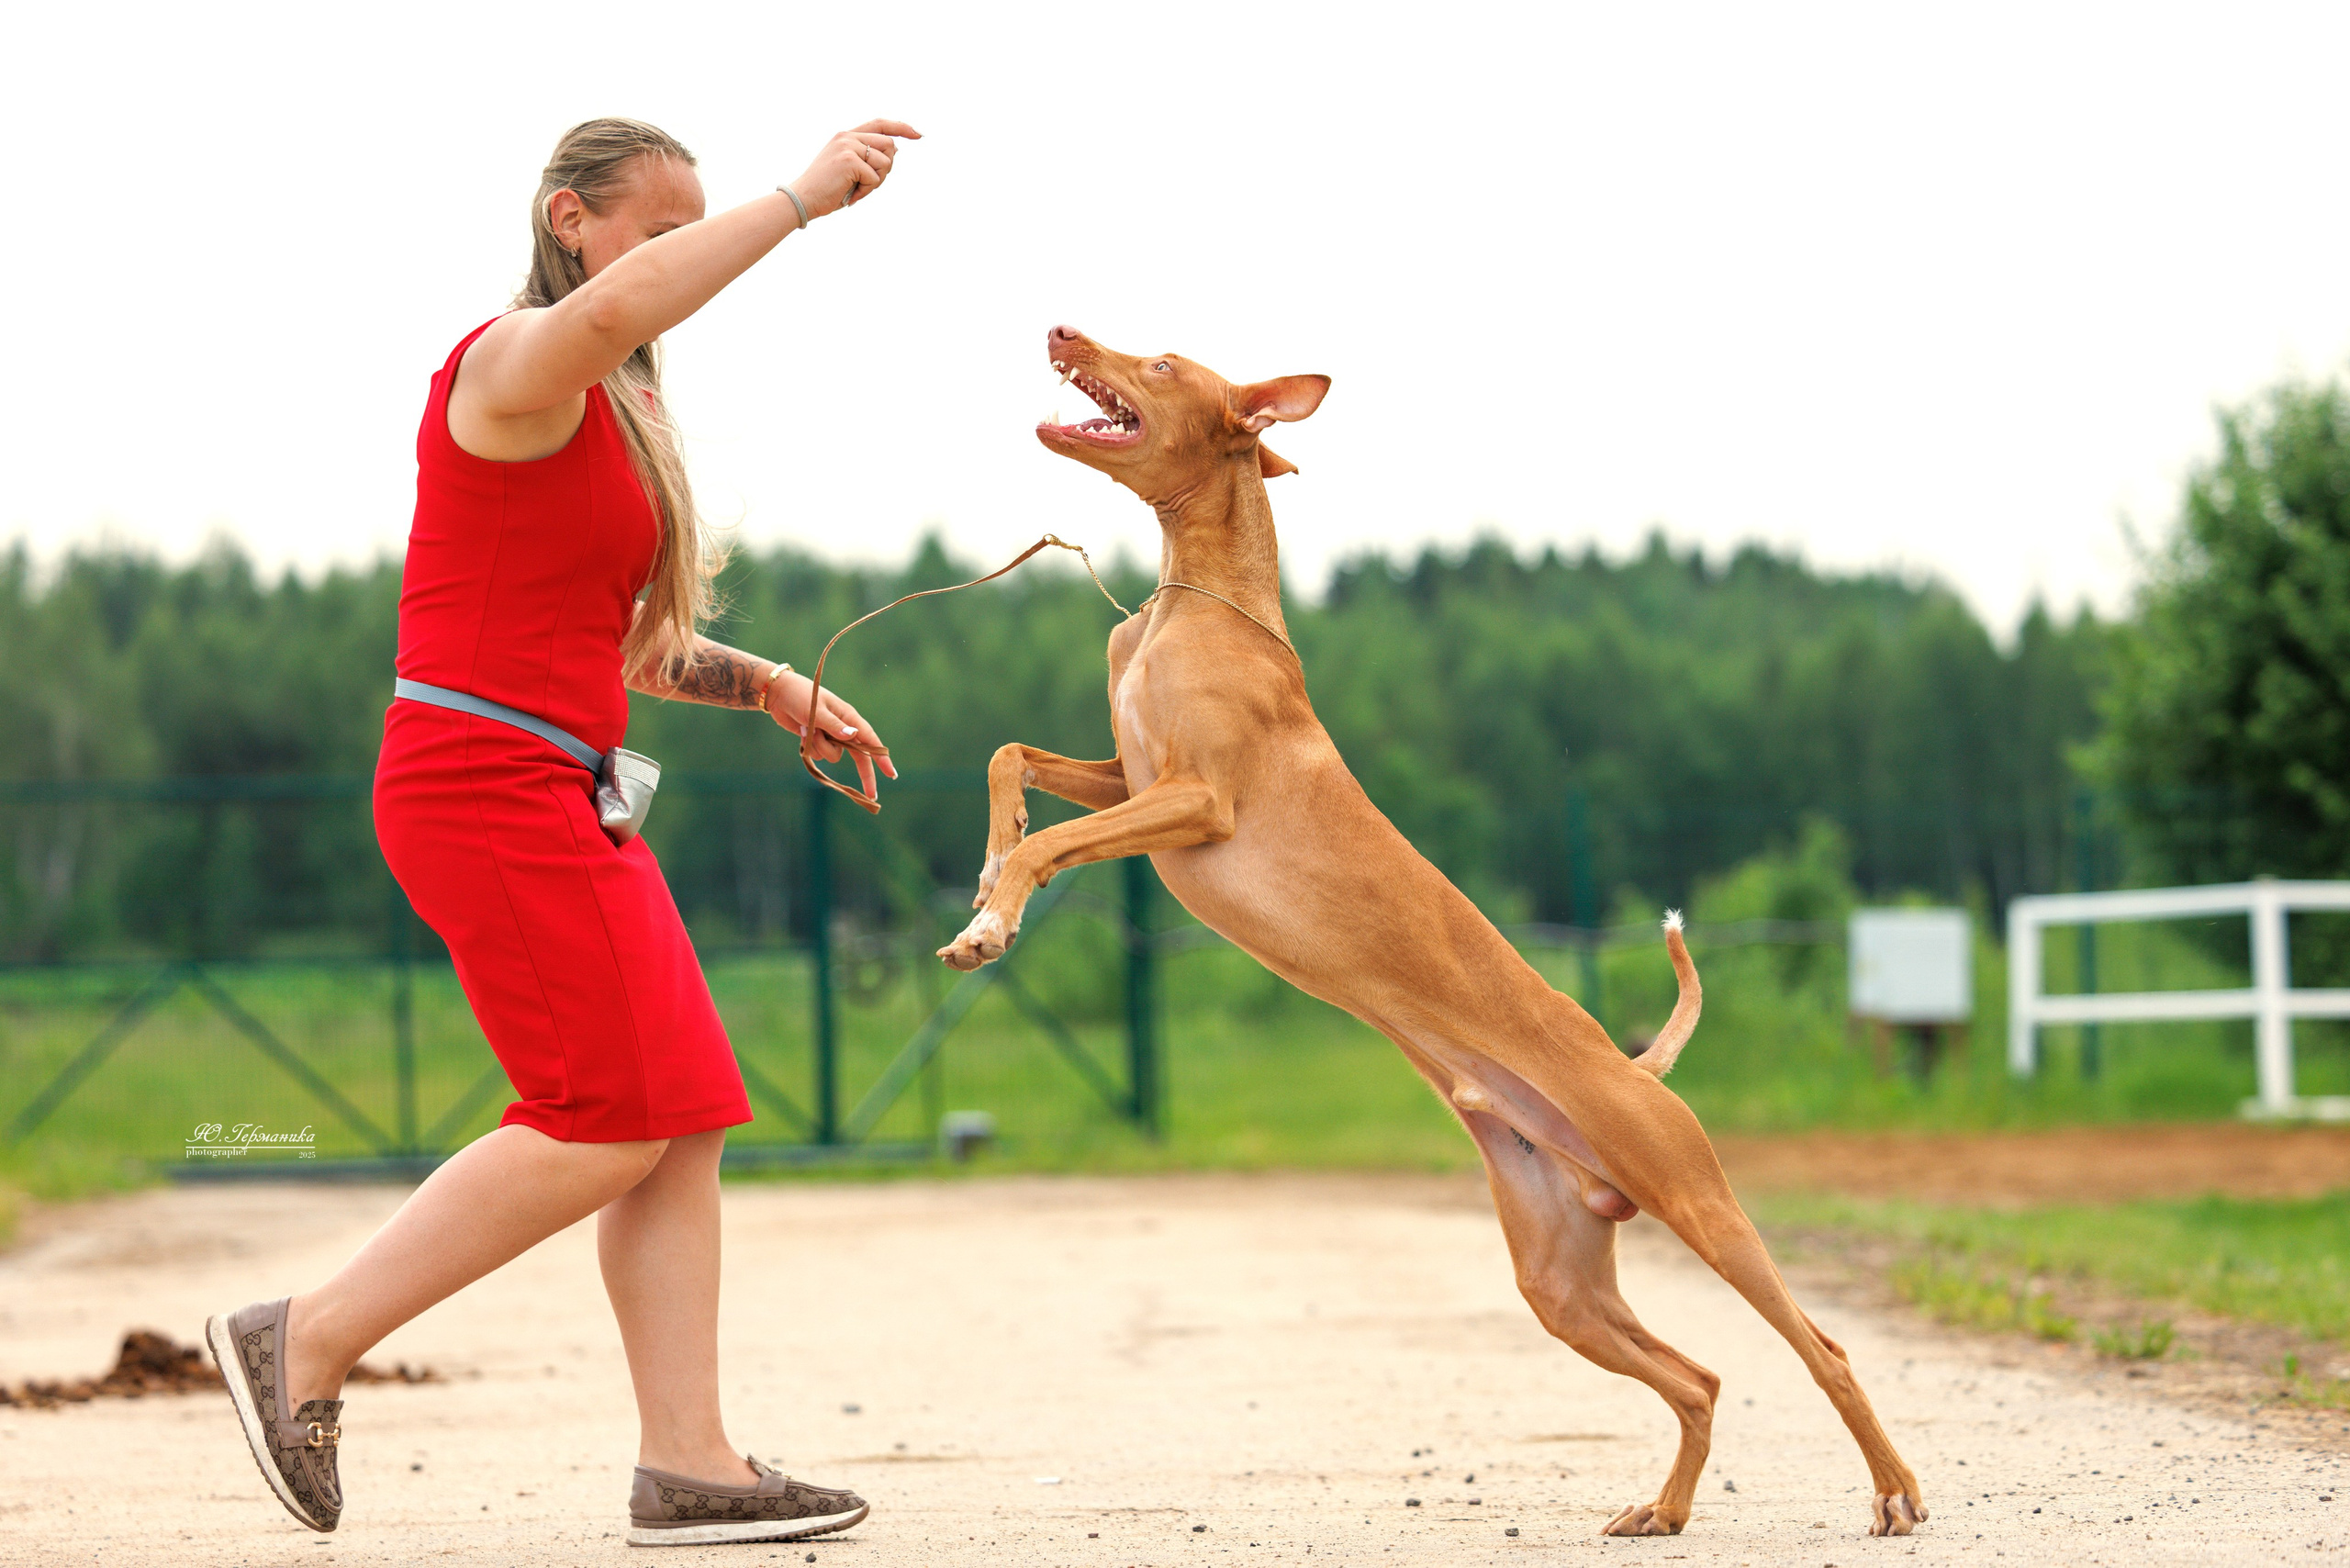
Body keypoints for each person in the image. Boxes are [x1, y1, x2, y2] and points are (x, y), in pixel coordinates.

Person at [205, 114, 917, 1550]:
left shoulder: (611, 424)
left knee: (682, 1120)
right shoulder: (509, 365)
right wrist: (791, 203)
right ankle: (306, 1337)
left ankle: (690, 1464)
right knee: (601, 1121)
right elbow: (614, 315)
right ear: (569, 221)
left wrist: (775, 688)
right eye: (655, 230)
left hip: (559, 787)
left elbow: (628, 649)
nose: (672, 260)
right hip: (478, 787)